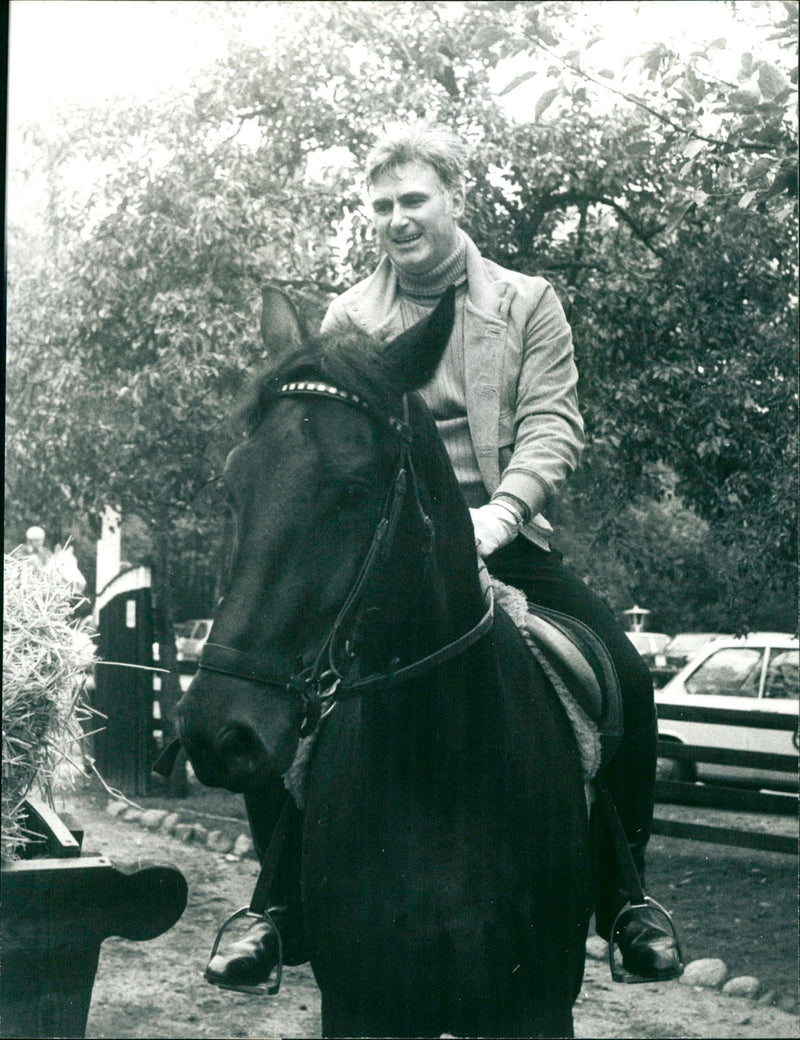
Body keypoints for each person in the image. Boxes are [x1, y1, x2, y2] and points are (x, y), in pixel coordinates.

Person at [206, 123, 681, 988]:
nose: (396, 218)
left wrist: (500, 517)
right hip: (389, 551)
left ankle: (626, 894)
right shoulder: (352, 317)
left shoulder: (528, 302)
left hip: (505, 535)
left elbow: (551, 424)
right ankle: (276, 901)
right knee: (281, 679)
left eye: (413, 199)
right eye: (381, 205)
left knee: (621, 668)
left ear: (456, 200)